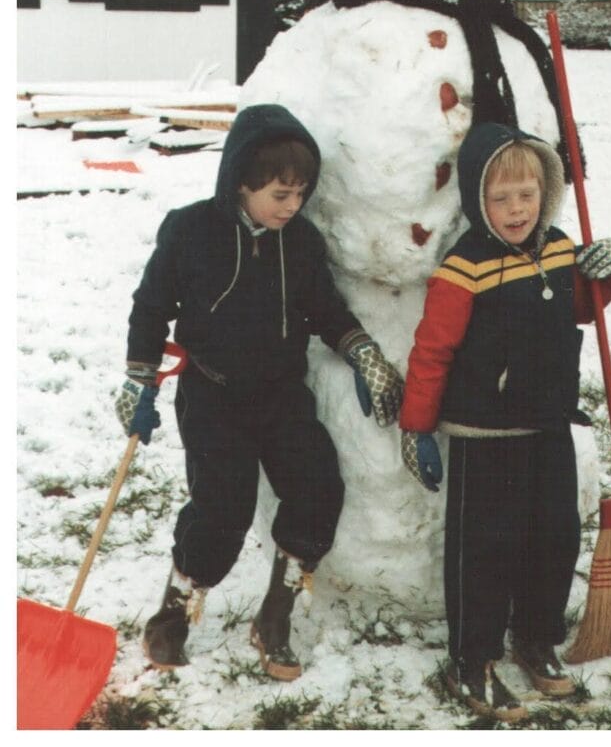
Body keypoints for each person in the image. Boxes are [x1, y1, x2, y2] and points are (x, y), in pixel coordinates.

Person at [116, 104, 403, 680]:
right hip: (212, 392)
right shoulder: (190, 230)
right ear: (241, 182)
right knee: (223, 509)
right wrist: (138, 378)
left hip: (279, 393)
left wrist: (363, 351)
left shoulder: (299, 242)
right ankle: (174, 610)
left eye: (300, 194)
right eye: (279, 194)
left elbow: (324, 308)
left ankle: (277, 612)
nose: (291, 206)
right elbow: (151, 307)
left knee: (318, 485)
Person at [399, 122, 611, 723]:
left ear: (546, 190)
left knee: (553, 538)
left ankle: (535, 636)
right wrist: (416, 426)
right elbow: (432, 350)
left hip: (549, 422)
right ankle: (470, 658)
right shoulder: (464, 268)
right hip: (486, 434)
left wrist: (610, 273)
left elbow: (578, 309)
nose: (516, 209)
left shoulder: (558, 246)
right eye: (501, 199)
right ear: (479, 200)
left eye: (527, 195)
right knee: (484, 551)